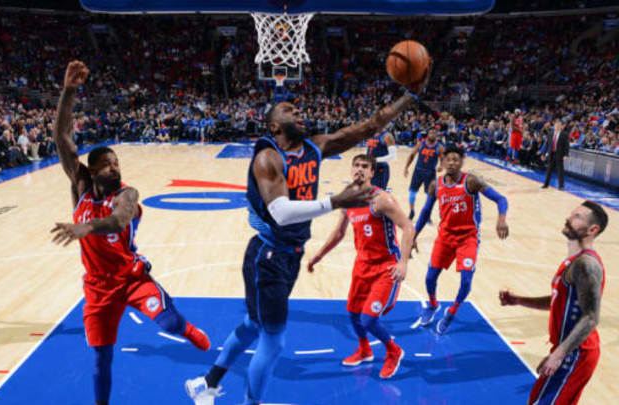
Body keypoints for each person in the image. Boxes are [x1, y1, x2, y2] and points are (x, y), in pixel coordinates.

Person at [186, 70, 431, 405]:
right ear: (274, 126)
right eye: (289, 110)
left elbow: (369, 125)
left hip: (288, 255)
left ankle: (207, 384)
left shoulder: (316, 147)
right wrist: (336, 201)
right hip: (268, 256)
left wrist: (409, 97)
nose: (298, 112)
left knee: (253, 324)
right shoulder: (267, 157)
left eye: (299, 109)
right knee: (274, 341)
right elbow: (281, 212)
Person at [49, 61, 210, 405]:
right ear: (92, 170)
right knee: (101, 358)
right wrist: (69, 91)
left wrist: (85, 227)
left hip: (131, 277)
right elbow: (62, 138)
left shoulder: (127, 194)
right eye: (108, 164)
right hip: (96, 286)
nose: (115, 167)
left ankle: (189, 329)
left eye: (117, 163)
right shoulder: (80, 186)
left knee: (167, 324)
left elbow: (120, 221)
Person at [307, 154, 414, 377]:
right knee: (353, 314)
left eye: (365, 166)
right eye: (356, 165)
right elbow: (339, 233)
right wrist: (318, 256)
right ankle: (365, 350)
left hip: (386, 267)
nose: (359, 170)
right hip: (362, 266)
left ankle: (393, 351)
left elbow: (408, 227)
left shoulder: (382, 199)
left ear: (372, 173)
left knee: (368, 318)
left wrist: (403, 262)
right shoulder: (349, 200)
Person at [499, 200, 607, 405]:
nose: (569, 218)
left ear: (592, 229)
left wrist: (559, 354)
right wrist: (519, 300)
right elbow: (559, 300)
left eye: (577, 217)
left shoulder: (587, 264)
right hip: (568, 350)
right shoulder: (573, 260)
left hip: (576, 353)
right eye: (572, 213)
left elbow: (592, 317)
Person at [413, 144, 509, 334]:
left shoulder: (471, 181)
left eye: (456, 159)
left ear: (462, 162)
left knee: (465, 281)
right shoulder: (436, 184)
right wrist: (413, 235)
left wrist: (501, 219)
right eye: (448, 159)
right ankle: (433, 305)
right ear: (443, 162)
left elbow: (501, 199)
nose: (452, 163)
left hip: (468, 238)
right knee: (430, 277)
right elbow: (425, 212)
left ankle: (451, 312)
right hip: (445, 237)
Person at [404, 127, 443, 220]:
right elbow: (412, 155)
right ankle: (412, 211)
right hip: (418, 170)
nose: (432, 134)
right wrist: (406, 167)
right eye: (431, 132)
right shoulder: (421, 144)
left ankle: (427, 213)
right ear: (428, 134)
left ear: (436, 135)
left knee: (430, 194)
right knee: (412, 192)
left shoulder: (439, 147)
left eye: (434, 133)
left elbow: (443, 159)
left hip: (430, 172)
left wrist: (441, 166)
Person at [542, 119, 569, 190]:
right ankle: (546, 184)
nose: (557, 126)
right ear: (554, 126)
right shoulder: (550, 133)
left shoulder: (564, 134)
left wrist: (566, 155)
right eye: (556, 125)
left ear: (561, 126)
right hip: (551, 153)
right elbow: (547, 144)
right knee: (549, 170)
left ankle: (561, 186)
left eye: (559, 125)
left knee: (560, 171)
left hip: (559, 154)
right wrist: (543, 153)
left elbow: (567, 145)